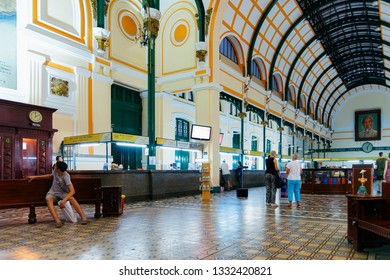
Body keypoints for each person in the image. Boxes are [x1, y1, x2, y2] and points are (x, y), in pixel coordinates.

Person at [27, 161, 89, 228]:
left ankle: (84, 218)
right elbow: (50, 175)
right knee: (48, 199)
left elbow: (72, 191)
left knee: (72, 198)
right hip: (53, 193)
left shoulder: (66, 176)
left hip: (63, 194)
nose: (54, 166)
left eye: (55, 166)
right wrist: (35, 177)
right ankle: (58, 221)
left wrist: (63, 201)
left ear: (59, 169)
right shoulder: (55, 171)